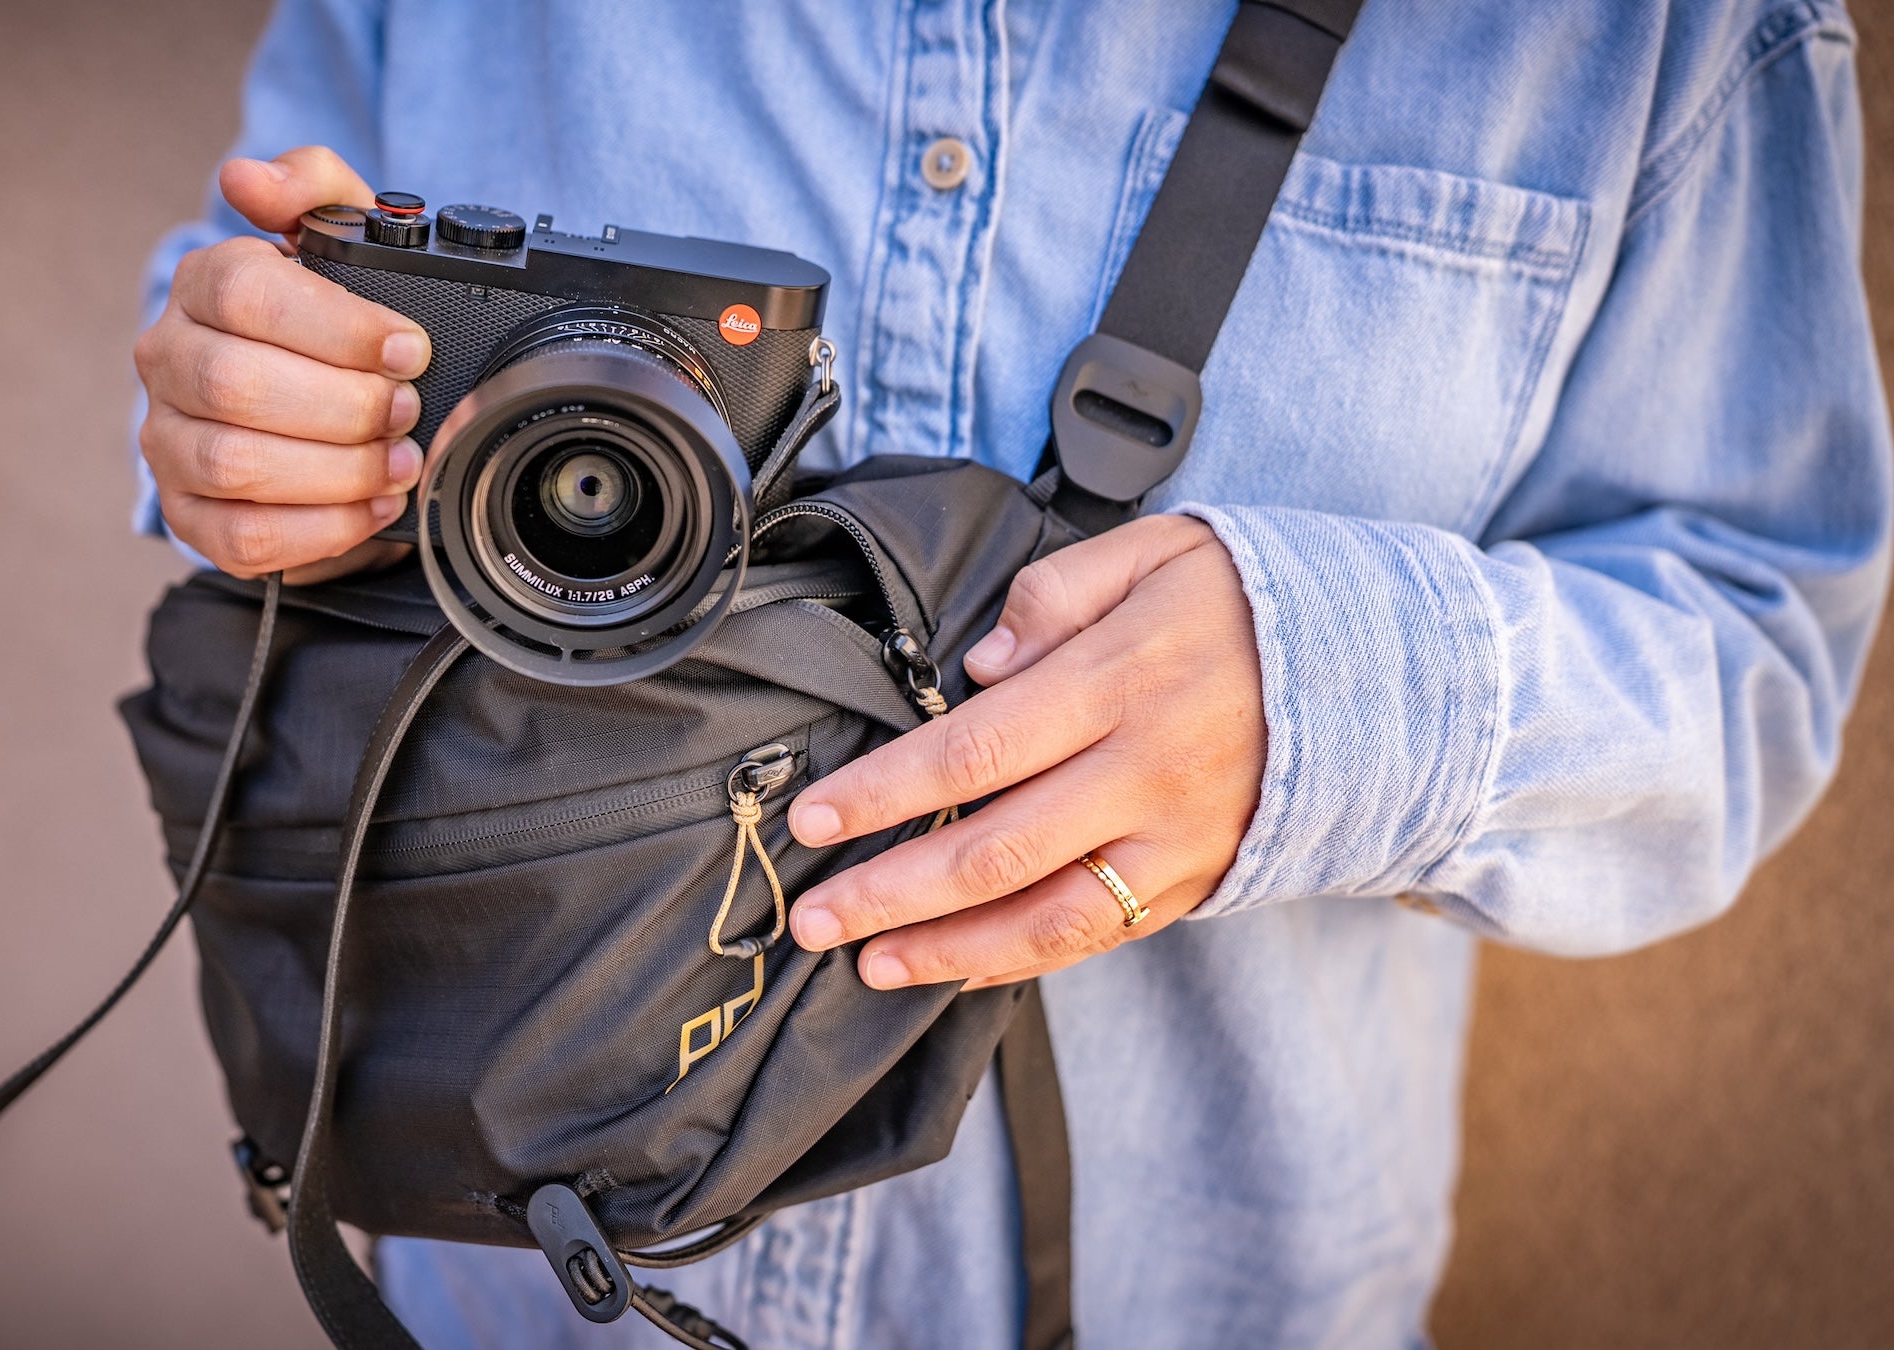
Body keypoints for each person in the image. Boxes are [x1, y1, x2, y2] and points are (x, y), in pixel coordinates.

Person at [129, 2, 1891, 1345]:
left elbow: (1756, 623)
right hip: (502, 1291)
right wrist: (253, 403)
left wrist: (1339, 696)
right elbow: (285, 265)